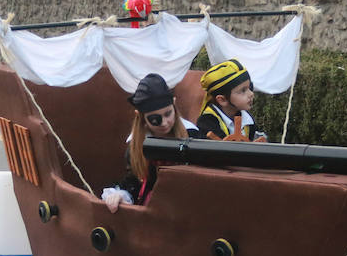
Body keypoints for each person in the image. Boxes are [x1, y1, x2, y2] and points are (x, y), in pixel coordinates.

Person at [101, 74, 199, 211]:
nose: (164, 123)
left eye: (168, 114)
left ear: (174, 104)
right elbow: (134, 182)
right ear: (141, 117)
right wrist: (119, 195)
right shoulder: (137, 145)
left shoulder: (193, 135)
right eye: (155, 119)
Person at [196, 59, 267, 141]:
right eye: (243, 90)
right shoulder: (207, 122)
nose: (251, 94)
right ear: (222, 100)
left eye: (250, 87)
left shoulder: (247, 119)